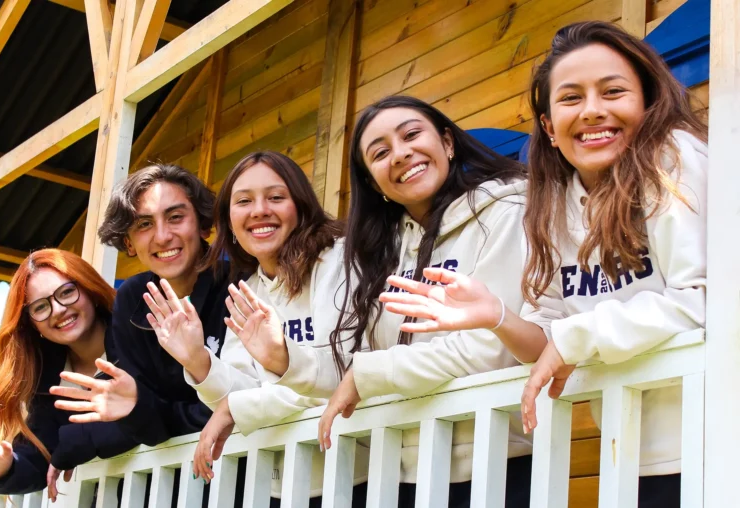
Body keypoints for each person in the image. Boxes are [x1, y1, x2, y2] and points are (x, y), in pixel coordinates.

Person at [383, 22, 708, 507]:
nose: (592, 109)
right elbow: (550, 337)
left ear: (647, 101)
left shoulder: (673, 158)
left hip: (717, 437)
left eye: (613, 91)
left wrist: (575, 338)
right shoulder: (553, 204)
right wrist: (496, 316)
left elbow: (702, 299)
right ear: (550, 128)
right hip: (635, 455)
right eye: (571, 98)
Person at [237, 96, 539, 507]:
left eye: (411, 134)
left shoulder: (505, 211)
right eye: (380, 153)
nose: (400, 154)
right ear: (373, 182)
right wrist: (283, 358)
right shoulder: (380, 251)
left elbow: (494, 348)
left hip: (496, 459)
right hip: (400, 470)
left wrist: (370, 374)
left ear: (448, 142)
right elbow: (351, 367)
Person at [143, 151, 369, 506]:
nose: (259, 210)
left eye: (275, 197)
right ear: (229, 221)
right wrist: (198, 361)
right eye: (244, 201)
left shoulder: (337, 261)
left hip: (357, 475)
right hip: (280, 483)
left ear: (301, 206)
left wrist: (238, 407)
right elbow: (241, 391)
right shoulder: (250, 287)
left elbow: (341, 377)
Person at [50, 163, 246, 444]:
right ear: (129, 243)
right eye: (144, 224)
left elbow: (244, 401)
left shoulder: (240, 285)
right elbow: (137, 412)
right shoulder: (131, 300)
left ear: (203, 225)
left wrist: (155, 415)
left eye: (175, 217)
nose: (163, 236)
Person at [0, 249, 139, 506]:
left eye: (67, 292)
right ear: (32, 324)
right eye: (40, 307)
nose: (58, 309)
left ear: (89, 290)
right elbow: (41, 456)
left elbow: (160, 410)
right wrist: (3, 469)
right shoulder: (46, 381)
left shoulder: (138, 336)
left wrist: (77, 440)